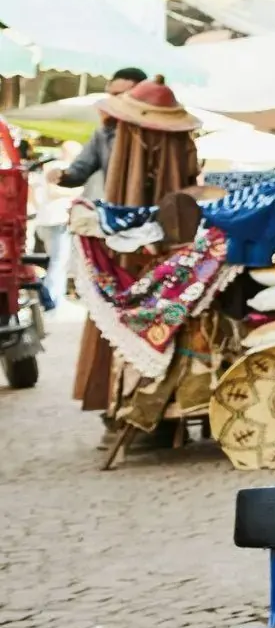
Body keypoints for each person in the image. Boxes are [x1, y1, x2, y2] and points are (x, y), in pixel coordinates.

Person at [66, 77, 205, 414]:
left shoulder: (125, 133)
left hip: (150, 237)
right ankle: (129, 405)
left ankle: (138, 406)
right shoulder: (127, 135)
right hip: (142, 236)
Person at [52, 68, 149, 194]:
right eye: (112, 95)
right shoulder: (104, 133)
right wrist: (63, 176)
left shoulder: (162, 132)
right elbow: (80, 170)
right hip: (116, 207)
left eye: (122, 95)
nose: (116, 100)